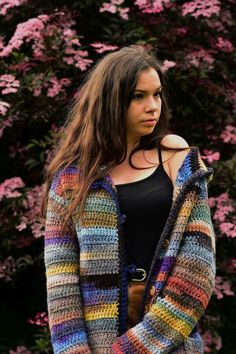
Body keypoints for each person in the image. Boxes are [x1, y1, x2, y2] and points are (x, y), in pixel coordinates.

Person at [42, 45, 216, 353]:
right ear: (111, 101)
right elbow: (61, 287)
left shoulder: (175, 156)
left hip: (171, 343)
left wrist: (132, 349)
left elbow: (197, 268)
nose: (153, 107)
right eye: (139, 96)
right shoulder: (72, 180)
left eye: (157, 94)